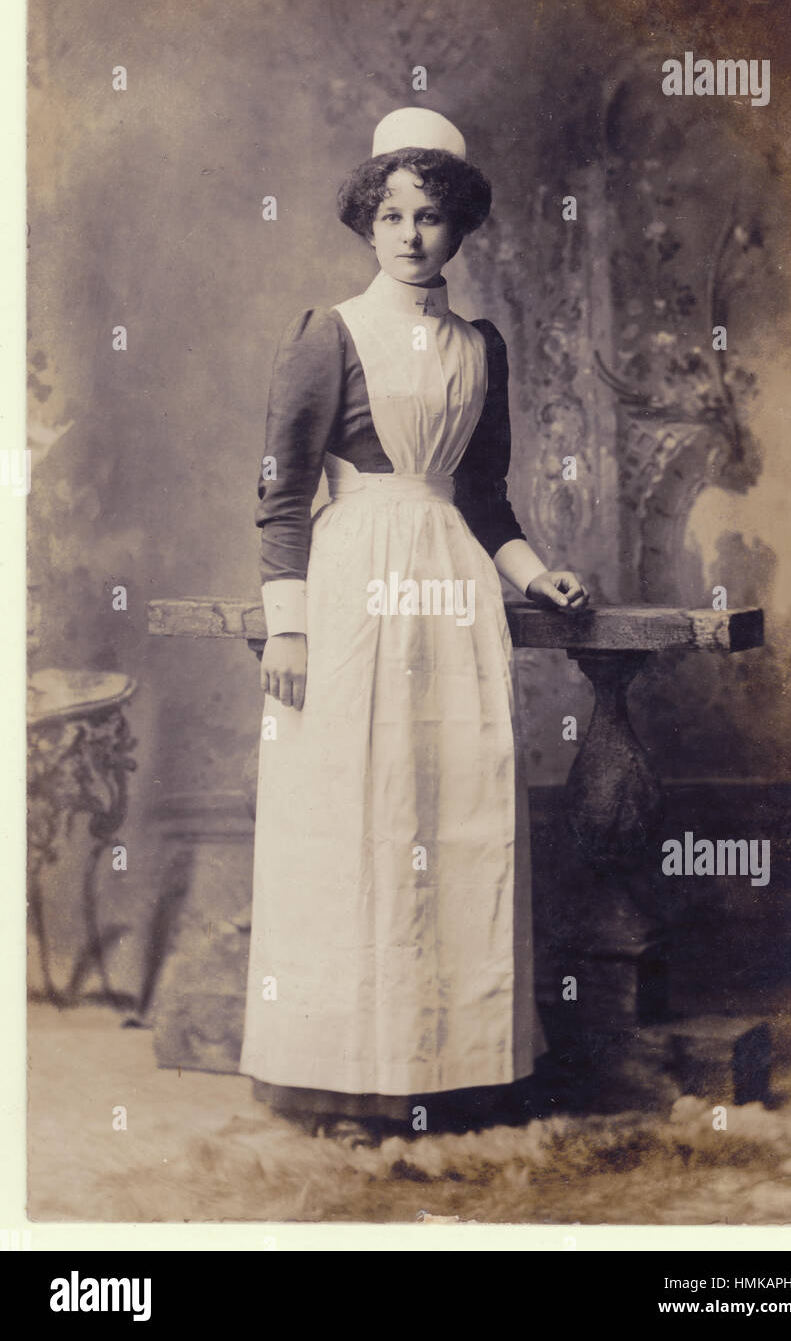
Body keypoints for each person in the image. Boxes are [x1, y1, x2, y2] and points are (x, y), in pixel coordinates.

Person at [239, 108, 589, 1144]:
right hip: (351, 588)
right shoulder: (327, 335)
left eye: (429, 215)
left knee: (451, 813)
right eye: (390, 214)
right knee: (357, 814)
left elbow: (487, 500)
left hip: (452, 590)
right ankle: (345, 1076)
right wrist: (289, 628)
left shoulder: (484, 349)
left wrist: (539, 576)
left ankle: (455, 1067)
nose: (408, 234)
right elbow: (278, 492)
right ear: (367, 221)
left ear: (459, 227)